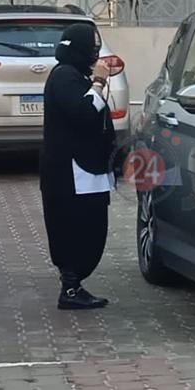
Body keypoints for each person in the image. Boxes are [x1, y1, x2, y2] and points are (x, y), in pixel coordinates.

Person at [40, 21, 116, 310]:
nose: (96, 56)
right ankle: (70, 288)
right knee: (76, 230)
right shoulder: (64, 77)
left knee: (93, 229)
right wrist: (98, 83)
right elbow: (84, 113)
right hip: (72, 174)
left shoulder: (74, 76)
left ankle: (74, 285)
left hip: (88, 171)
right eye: (92, 50)